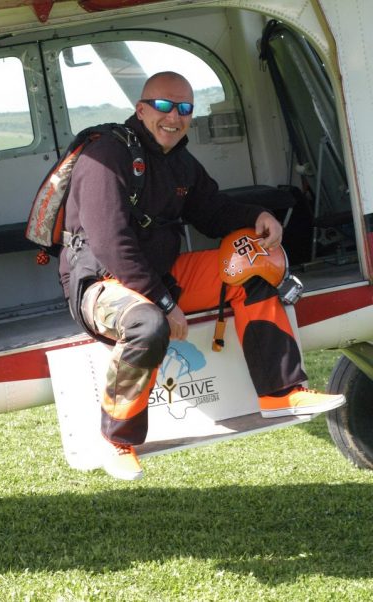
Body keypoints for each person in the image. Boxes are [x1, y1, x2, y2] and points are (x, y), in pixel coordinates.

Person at [59, 71, 345, 481]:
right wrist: (163, 302)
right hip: (102, 283)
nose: (173, 116)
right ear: (140, 109)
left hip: (161, 275)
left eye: (184, 108)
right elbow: (111, 243)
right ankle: (116, 440)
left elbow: (212, 212)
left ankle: (282, 392)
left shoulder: (179, 163)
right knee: (148, 324)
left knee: (250, 267)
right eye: (163, 105)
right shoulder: (105, 155)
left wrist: (256, 217)